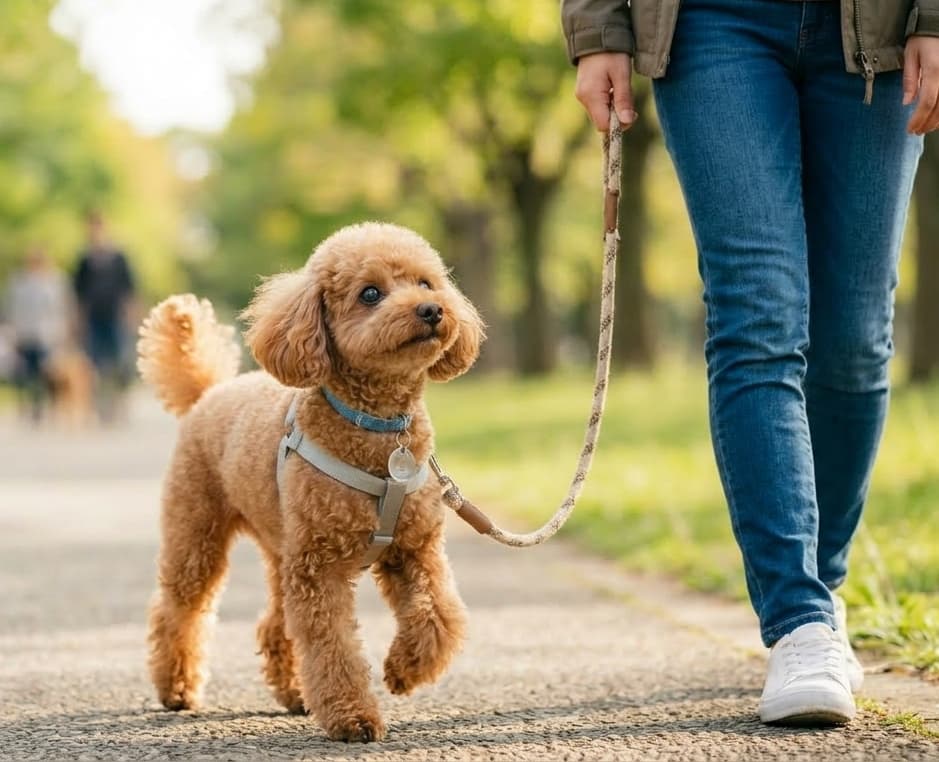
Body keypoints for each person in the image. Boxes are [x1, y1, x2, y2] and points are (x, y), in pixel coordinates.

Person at [563, 0, 939, 726]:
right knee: (756, 316)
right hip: (710, 24)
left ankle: (822, 587)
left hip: (879, 26)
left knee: (855, 338)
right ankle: (799, 620)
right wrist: (598, 28)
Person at [73, 210, 137, 423]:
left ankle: (119, 404)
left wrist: (131, 316)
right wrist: (77, 321)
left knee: (120, 363)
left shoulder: (119, 258)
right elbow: (78, 294)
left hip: (115, 316)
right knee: (94, 365)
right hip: (93, 318)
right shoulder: (84, 260)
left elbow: (129, 290)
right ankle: (99, 407)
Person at [4, 248, 73, 423]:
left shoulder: (56, 281)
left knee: (47, 374)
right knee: (26, 374)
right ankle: (30, 406)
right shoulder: (18, 283)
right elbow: (12, 309)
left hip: (48, 335)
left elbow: (63, 308)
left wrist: (64, 332)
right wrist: (12, 331)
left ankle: (47, 406)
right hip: (25, 334)